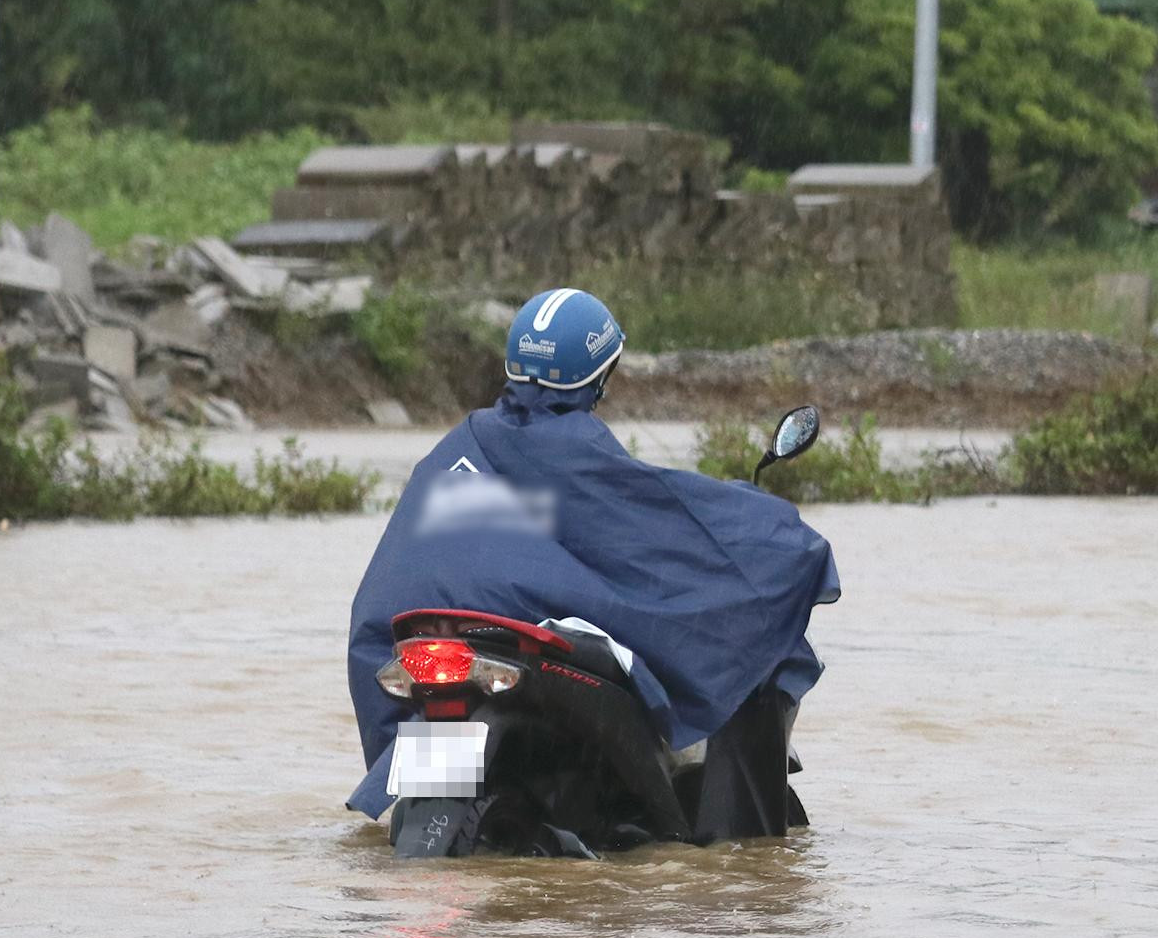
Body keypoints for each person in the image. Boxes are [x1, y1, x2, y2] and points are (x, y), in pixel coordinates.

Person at [344, 287, 839, 831]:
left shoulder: (458, 450)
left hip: (416, 639)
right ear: (599, 374)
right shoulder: (580, 453)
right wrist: (774, 532)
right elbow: (657, 533)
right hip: (512, 650)